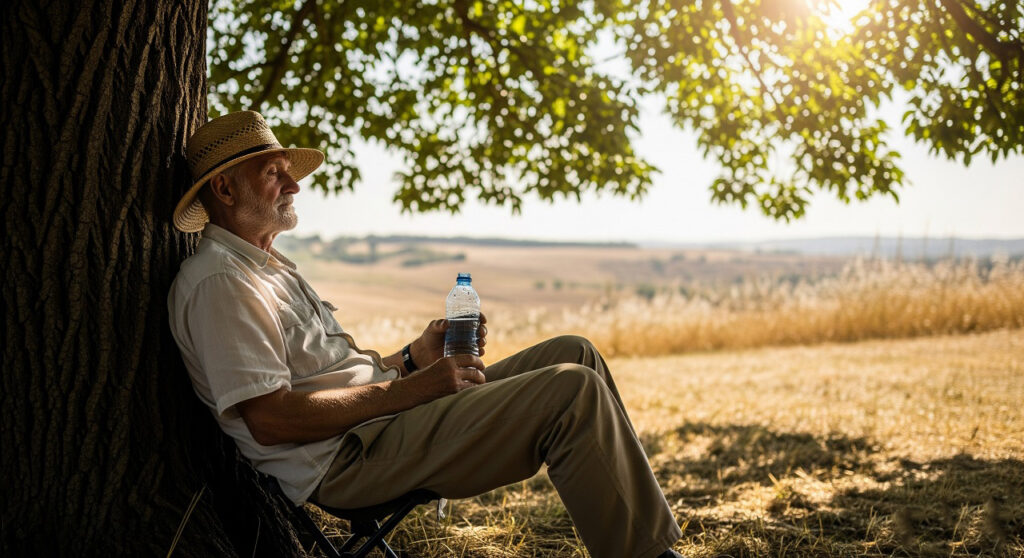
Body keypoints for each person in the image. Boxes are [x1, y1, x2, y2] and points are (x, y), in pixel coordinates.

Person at [167, 111, 684, 558]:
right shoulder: (222, 283)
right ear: (226, 188)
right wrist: (410, 389)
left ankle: (646, 535)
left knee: (576, 353)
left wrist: (413, 358)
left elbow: (329, 376)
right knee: (571, 390)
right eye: (274, 173)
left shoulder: (266, 267)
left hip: (382, 422)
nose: (295, 185)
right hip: (348, 460)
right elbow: (271, 419)